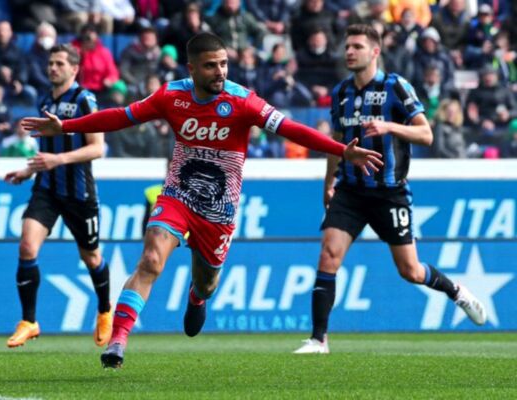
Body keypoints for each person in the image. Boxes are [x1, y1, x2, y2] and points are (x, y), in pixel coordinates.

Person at [22, 32, 383, 369]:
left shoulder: (243, 101)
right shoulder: (171, 96)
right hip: (177, 195)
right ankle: (118, 341)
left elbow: (291, 128)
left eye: (224, 64)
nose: (220, 72)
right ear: (191, 68)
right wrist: (66, 126)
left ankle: (196, 296)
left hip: (219, 209)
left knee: (207, 281)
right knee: (150, 259)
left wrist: (341, 151)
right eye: (211, 66)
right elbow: (122, 116)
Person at [293, 24, 487, 355]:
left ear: (375, 51)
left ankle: (456, 291)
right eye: (347, 46)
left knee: (410, 270)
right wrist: (329, 183)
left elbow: (426, 134)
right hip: (350, 191)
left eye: (357, 46)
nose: (349, 51)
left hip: (389, 192)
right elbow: (337, 142)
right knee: (328, 254)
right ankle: (318, 339)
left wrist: (389, 126)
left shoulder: (396, 86)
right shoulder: (341, 92)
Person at [4, 44, 111, 349]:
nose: (53, 68)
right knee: (27, 246)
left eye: (59, 63)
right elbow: (46, 151)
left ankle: (105, 311)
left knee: (91, 257)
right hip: (47, 188)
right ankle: (29, 321)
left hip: (79, 192)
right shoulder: (44, 100)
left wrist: (58, 160)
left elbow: (97, 148)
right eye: (51, 63)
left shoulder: (85, 100)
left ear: (74, 69)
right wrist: (28, 170)